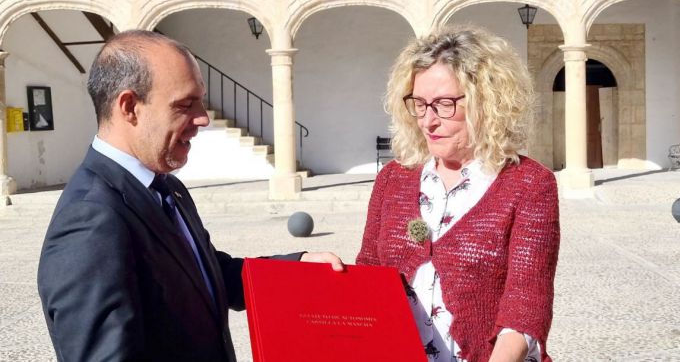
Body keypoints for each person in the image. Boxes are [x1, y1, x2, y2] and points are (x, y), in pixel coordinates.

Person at [37, 30, 343, 362]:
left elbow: (206, 274)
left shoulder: (166, 187)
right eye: (185, 104)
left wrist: (295, 270)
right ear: (129, 107)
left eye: (201, 100)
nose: (203, 118)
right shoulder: (90, 220)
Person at [356, 25, 560, 362]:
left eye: (444, 104)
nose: (428, 121)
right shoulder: (392, 180)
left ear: (487, 102)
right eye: (419, 104)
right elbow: (368, 275)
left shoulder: (529, 184)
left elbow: (526, 306)